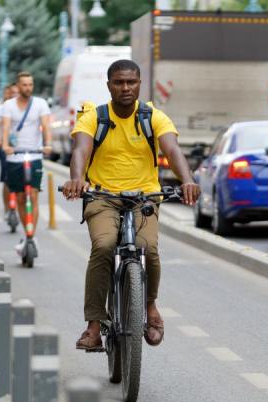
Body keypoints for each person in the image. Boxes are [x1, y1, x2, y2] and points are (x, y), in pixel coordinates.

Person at [62, 59, 200, 350]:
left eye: (131, 82)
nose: (126, 88)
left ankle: (150, 308)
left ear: (140, 84)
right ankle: (94, 324)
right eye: (119, 82)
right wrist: (77, 179)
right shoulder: (94, 117)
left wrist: (187, 179)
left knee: (148, 248)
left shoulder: (153, 117)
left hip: (144, 197)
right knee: (103, 246)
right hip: (102, 197)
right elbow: (81, 150)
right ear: (109, 85)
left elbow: (172, 149)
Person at [1, 72, 52, 256]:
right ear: (18, 86)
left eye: (30, 84)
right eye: (24, 85)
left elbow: (46, 125)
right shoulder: (8, 106)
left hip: (35, 155)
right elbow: (6, 127)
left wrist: (47, 144)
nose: (28, 88)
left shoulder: (40, 104)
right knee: (21, 197)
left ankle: (31, 235)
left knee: (33, 195)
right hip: (15, 156)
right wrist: (5, 145)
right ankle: (26, 231)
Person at [0, 83, 18, 216]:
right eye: (9, 93)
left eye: (13, 93)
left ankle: (19, 204)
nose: (11, 95)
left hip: (20, 148)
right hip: (4, 147)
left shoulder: (22, 108)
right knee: (7, 178)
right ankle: (8, 208)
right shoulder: (0, 109)